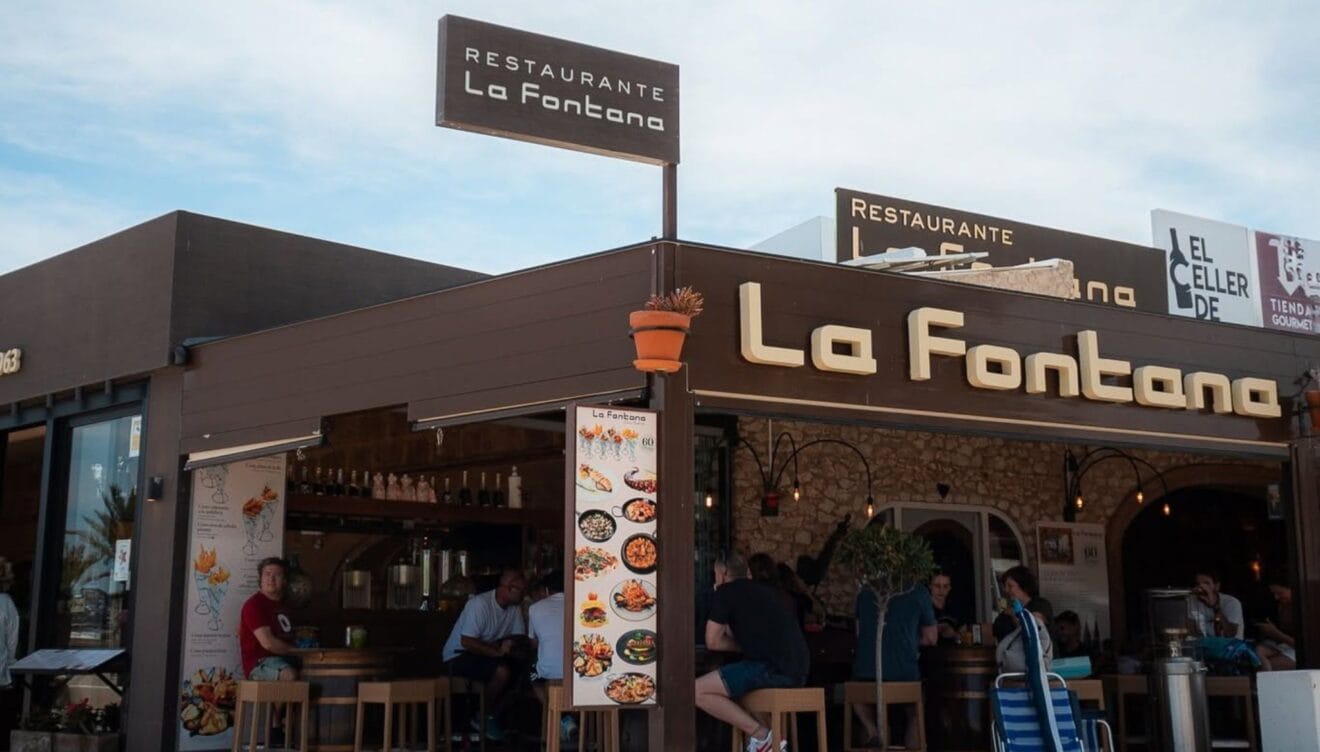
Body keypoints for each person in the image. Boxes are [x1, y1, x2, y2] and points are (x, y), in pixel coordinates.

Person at [695, 553, 809, 752]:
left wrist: (739, 647)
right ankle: (771, 742)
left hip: (769, 668)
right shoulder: (769, 592)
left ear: (722, 574)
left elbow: (713, 641)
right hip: (799, 669)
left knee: (696, 691)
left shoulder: (725, 592)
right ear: (747, 572)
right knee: (736, 691)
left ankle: (762, 736)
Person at [442, 568, 527, 742]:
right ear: (509, 588)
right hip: (458, 655)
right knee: (502, 671)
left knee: (525, 672)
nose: (524, 595)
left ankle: (491, 715)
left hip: (485, 655)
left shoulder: (514, 608)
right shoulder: (480, 604)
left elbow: (518, 635)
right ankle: (482, 716)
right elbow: (467, 641)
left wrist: (510, 643)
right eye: (521, 590)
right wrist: (496, 652)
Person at [852, 581, 937, 749]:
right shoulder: (918, 591)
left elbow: (859, 633)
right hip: (903, 674)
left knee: (860, 701)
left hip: (864, 675)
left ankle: (872, 731)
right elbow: (930, 638)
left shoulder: (866, 592)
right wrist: (910, 641)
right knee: (915, 713)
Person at [239, 557, 298, 681]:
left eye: (277, 575)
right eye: (267, 574)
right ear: (260, 579)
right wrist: (296, 651)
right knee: (290, 675)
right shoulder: (254, 605)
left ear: (285, 581)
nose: (271, 579)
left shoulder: (286, 606)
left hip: (286, 658)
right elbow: (268, 643)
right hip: (261, 663)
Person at [993, 565, 1054, 643]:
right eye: (1004, 586)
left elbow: (1032, 630)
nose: (1006, 590)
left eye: (1010, 586)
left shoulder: (1040, 605)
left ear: (1024, 585)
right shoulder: (1007, 611)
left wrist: (1013, 615)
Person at [1188, 567, 1244, 639]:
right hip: (1205, 647)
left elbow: (1230, 634)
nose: (1201, 587)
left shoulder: (1232, 603)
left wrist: (1215, 606)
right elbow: (1191, 631)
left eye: (1206, 583)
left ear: (1217, 586)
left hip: (1231, 648)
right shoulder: (1192, 601)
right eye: (1198, 584)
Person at [1254, 580, 1295, 670]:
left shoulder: (1306, 606)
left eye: (1280, 593)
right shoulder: (1282, 606)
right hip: (1284, 644)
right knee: (1257, 652)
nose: (1276, 597)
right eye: (1274, 594)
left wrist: (1276, 633)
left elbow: (1306, 645)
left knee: (1267, 665)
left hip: (1298, 649)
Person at [929, 570, 963, 643]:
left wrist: (954, 634)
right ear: (930, 586)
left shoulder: (955, 608)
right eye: (937, 586)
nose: (941, 590)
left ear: (950, 588)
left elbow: (962, 634)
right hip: (927, 652)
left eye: (945, 586)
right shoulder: (923, 608)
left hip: (952, 651)